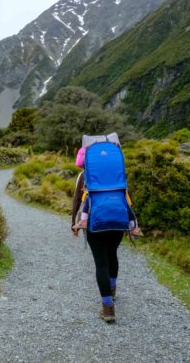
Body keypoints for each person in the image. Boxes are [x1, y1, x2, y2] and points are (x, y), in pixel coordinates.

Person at [70, 137, 142, 323]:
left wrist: (74, 223)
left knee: (100, 262)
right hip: (117, 220)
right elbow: (127, 201)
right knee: (112, 254)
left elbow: (77, 202)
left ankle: (108, 309)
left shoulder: (84, 176)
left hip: (94, 221)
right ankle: (112, 288)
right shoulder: (117, 177)